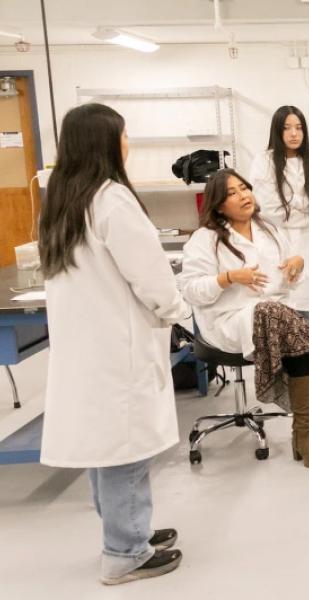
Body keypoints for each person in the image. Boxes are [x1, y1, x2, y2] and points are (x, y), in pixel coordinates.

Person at [38, 103, 190, 585]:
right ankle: (125, 551)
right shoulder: (111, 200)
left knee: (105, 444)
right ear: (106, 142)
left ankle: (126, 530)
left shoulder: (63, 201)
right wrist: (178, 312)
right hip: (117, 347)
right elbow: (151, 276)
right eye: (124, 135)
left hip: (87, 349)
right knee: (126, 445)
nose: (129, 143)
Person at [179, 169, 309, 471]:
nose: (244, 196)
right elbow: (190, 291)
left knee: (285, 326)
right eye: (233, 192)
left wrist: (297, 265)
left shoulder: (269, 230)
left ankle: (303, 436)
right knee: (276, 316)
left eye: (245, 188)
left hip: (276, 318)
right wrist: (228, 278)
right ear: (217, 205)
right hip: (227, 322)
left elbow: (285, 284)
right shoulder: (205, 239)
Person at [249, 105, 309, 329]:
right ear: (277, 132)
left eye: (299, 128)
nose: (294, 133)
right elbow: (271, 211)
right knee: (280, 316)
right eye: (287, 128)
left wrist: (291, 201)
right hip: (279, 245)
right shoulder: (264, 162)